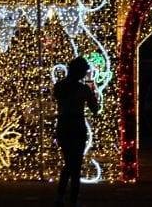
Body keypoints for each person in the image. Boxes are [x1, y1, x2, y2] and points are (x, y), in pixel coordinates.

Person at [54, 57, 99, 206]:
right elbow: (95, 109)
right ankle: (72, 199)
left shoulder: (60, 86)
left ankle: (61, 197)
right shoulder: (83, 89)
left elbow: (58, 99)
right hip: (76, 126)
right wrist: (93, 92)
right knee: (75, 163)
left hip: (64, 125)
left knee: (69, 162)